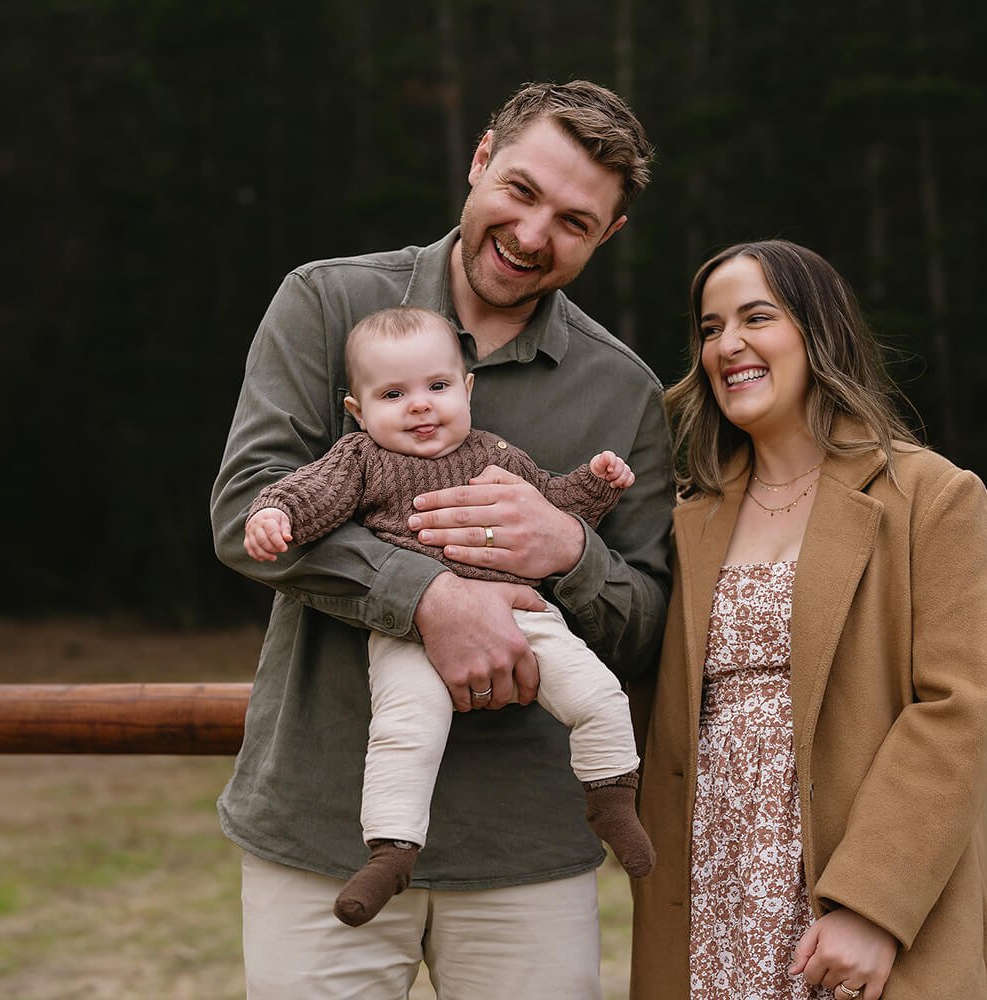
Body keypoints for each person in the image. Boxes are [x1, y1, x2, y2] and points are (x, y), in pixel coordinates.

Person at [210, 81, 671, 999]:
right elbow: (247, 512)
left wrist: (569, 553)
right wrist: (429, 596)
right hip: (324, 824)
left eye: (576, 222)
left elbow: (649, 622)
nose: (535, 234)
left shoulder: (625, 392)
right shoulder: (326, 304)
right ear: (481, 158)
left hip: (526, 847)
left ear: (608, 237)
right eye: (523, 190)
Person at [630, 240, 987, 1000]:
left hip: (851, 904)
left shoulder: (932, 497)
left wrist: (872, 906)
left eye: (755, 318)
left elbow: (960, 709)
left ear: (819, 332)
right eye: (709, 328)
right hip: (710, 903)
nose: (727, 344)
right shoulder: (680, 523)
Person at [241, 305, 655, 928]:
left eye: (436, 387)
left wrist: (595, 486)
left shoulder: (498, 456)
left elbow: (555, 505)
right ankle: (391, 849)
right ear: (357, 410)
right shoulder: (362, 460)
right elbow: (311, 494)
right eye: (393, 394)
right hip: (408, 629)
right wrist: (276, 514)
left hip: (522, 610)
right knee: (408, 730)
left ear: (467, 389)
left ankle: (612, 797)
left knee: (599, 695)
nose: (419, 406)